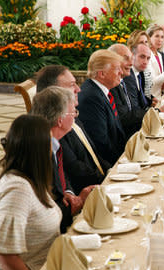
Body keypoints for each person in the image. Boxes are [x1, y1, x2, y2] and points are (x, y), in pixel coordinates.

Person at [0, 115, 61, 270]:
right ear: (39, 149)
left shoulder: (31, 180)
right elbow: (5, 254)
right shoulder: (18, 190)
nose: (53, 146)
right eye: (50, 141)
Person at [35, 65, 111, 193]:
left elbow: (93, 154)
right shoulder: (54, 125)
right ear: (54, 91)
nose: (78, 89)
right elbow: (75, 170)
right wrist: (107, 181)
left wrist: (112, 171)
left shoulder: (72, 113)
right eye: (72, 85)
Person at [31, 86, 95, 233]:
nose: (75, 117)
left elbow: (61, 179)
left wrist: (68, 192)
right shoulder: (39, 153)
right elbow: (43, 211)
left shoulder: (53, 143)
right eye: (73, 112)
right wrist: (78, 203)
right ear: (60, 120)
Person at [78, 50, 127, 165]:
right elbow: (101, 143)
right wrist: (123, 162)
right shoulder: (91, 98)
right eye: (117, 69)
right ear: (102, 74)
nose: (121, 72)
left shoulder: (101, 90)